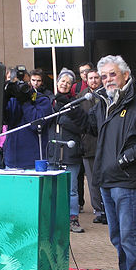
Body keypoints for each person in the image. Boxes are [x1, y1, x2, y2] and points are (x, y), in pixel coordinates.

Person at [68, 55, 136, 270]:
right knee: (117, 238)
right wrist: (71, 108)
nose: (107, 79)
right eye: (103, 76)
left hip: (129, 181)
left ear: (125, 74)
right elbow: (91, 128)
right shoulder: (103, 102)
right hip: (107, 180)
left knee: (130, 238)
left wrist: (127, 157)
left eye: (112, 74)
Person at [47, 68, 84, 233]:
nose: (65, 84)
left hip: (70, 152)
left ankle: (72, 218)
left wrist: (64, 119)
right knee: (52, 188)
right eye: (62, 81)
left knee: (72, 189)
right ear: (57, 82)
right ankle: (52, 218)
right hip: (54, 151)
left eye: (68, 82)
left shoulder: (76, 103)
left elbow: (82, 126)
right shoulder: (49, 101)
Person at [3, 67, 52, 169]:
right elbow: (3, 120)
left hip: (33, 162)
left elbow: (37, 124)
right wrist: (4, 97)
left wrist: (25, 102)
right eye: (16, 84)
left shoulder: (42, 100)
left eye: (24, 83)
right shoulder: (12, 101)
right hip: (12, 161)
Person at [77, 68, 107, 224]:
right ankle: (99, 210)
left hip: (105, 144)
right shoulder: (81, 98)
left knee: (105, 178)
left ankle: (108, 208)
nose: (94, 80)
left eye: (97, 77)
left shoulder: (107, 95)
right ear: (86, 80)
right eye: (91, 78)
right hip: (88, 144)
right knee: (93, 180)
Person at [71, 61, 93, 213]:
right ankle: (79, 203)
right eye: (81, 72)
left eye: (86, 71)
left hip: (92, 140)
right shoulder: (77, 89)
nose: (84, 75)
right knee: (78, 175)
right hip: (80, 140)